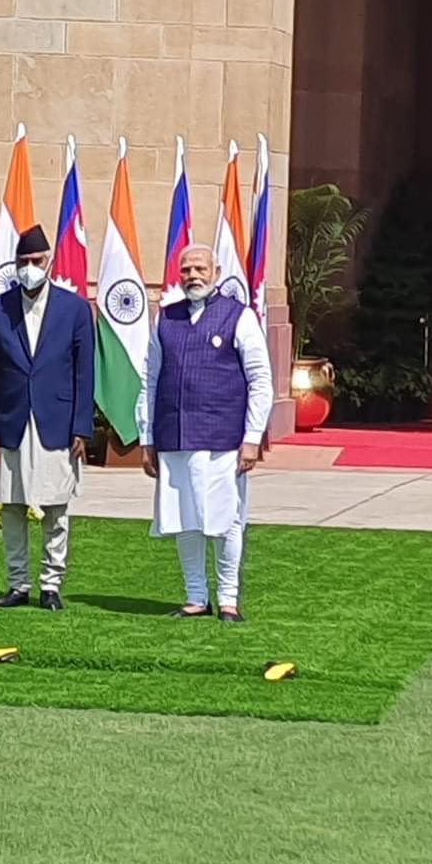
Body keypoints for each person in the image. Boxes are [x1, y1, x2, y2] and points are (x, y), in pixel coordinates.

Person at [140, 243, 275, 623]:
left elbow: (260, 380)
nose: (193, 276)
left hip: (223, 440)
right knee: (184, 519)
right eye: (186, 270)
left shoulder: (239, 316)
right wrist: (147, 438)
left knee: (226, 520)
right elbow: (150, 379)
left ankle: (228, 598)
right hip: (174, 436)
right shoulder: (166, 319)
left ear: (216, 273)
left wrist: (252, 437)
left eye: (200, 268)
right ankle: (196, 596)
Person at [0, 225, 96, 611]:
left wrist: (82, 426)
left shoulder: (75, 309)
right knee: (13, 505)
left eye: (37, 261)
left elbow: (84, 372)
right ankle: (18, 584)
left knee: (56, 506)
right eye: (24, 261)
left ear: (50, 262)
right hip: (12, 419)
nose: (30, 268)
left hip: (56, 420)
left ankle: (51, 584)